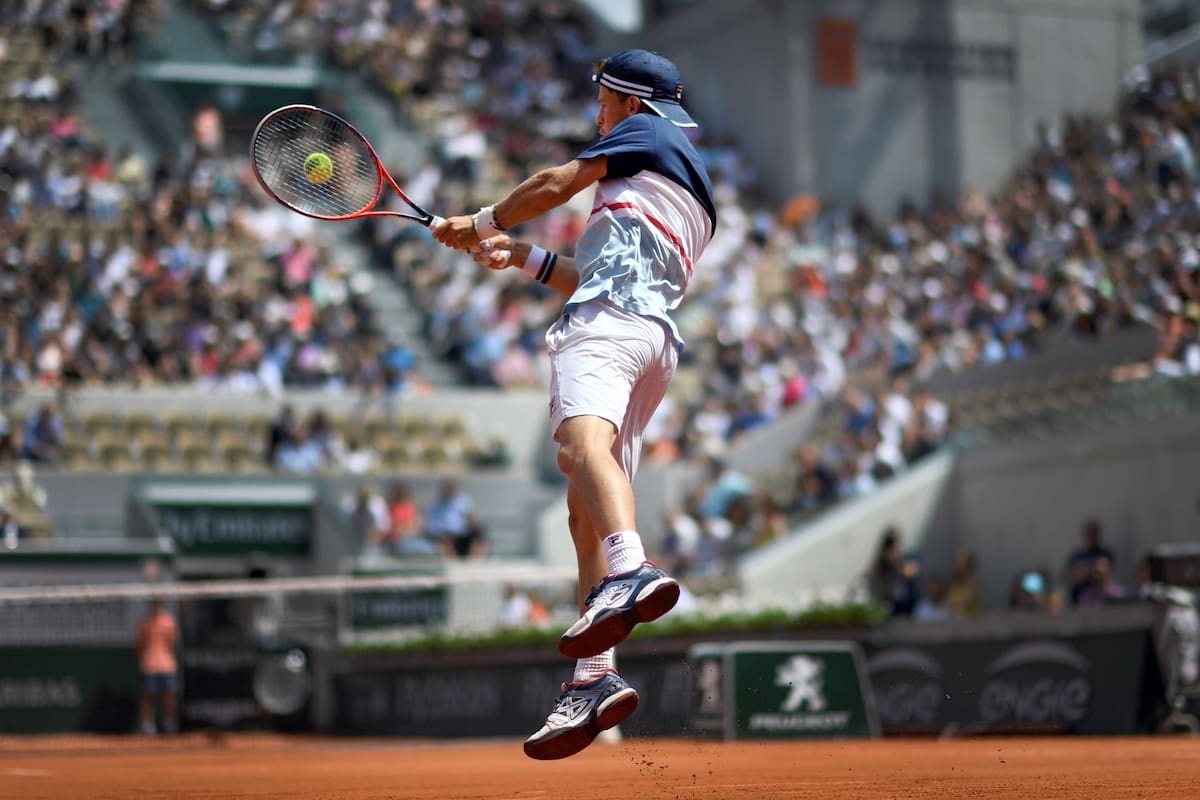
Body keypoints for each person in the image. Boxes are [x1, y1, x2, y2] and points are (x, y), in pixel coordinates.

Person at [433, 48, 716, 760]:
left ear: (630, 102)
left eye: (604, 100)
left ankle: (631, 570)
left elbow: (557, 183)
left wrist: (481, 220)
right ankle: (594, 678)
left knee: (580, 449)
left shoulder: (644, 131)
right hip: (652, 343)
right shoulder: (685, 178)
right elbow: (592, 273)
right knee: (584, 507)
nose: (598, 113)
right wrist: (519, 255)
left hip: (608, 329)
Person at [136, 598, 179, 735]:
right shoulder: (145, 623)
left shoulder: (169, 622)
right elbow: (139, 645)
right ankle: (147, 726)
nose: (155, 608)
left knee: (169, 696)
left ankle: (170, 724)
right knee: (147, 696)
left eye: (157, 605)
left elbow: (172, 642)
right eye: (153, 605)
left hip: (166, 665)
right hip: (148, 665)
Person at [424, 478, 486, 560]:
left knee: (479, 532)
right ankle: (452, 562)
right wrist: (442, 532)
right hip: (446, 535)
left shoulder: (464, 500)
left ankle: (474, 561)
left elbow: (472, 517)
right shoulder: (436, 505)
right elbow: (432, 526)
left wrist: (471, 522)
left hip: (463, 533)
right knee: (445, 540)